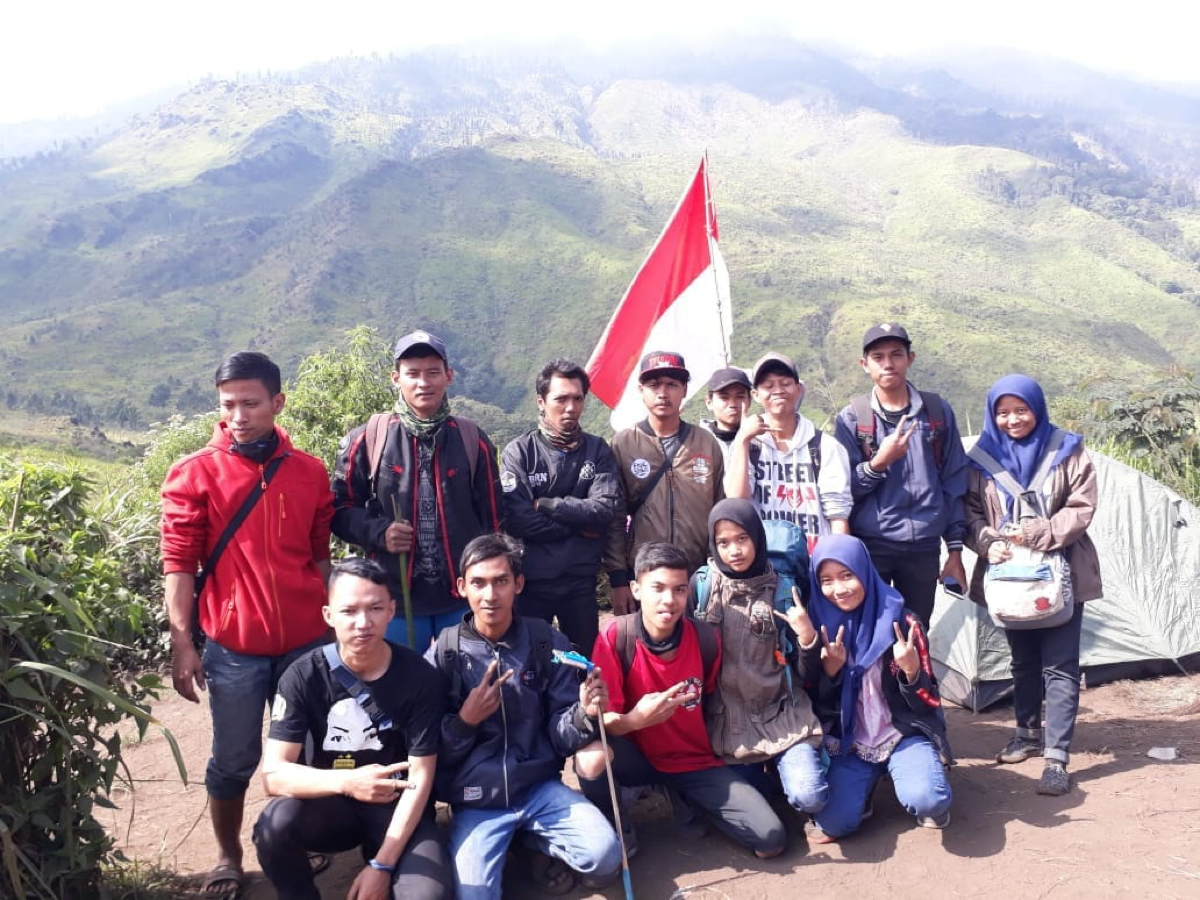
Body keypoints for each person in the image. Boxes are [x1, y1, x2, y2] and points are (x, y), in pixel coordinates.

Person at [160, 351, 334, 898]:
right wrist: (183, 642)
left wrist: (333, 623)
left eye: (251, 403)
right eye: (228, 404)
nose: (238, 415)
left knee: (304, 752)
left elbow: (319, 554)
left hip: (306, 644)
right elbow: (179, 564)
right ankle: (228, 856)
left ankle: (293, 841)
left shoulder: (308, 471)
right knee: (233, 759)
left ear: (278, 403)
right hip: (234, 647)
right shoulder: (195, 473)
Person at [426, 534, 621, 899]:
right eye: (479, 583)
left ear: (518, 584)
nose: (490, 595)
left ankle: (529, 841)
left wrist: (584, 713)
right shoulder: (444, 655)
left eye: (501, 581)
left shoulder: (546, 642)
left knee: (606, 858)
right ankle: (511, 846)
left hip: (538, 790)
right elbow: (430, 751)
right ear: (461, 587)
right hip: (475, 800)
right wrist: (464, 722)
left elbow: (560, 736)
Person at [253, 558, 452, 900]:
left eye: (375, 608)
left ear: (391, 610)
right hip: (331, 806)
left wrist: (383, 866)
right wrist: (347, 782)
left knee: (428, 895)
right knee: (274, 825)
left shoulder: (420, 676)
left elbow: (420, 779)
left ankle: (381, 856)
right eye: (349, 611)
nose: (363, 623)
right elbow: (273, 776)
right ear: (329, 615)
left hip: (396, 805)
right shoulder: (302, 675)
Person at [577, 542, 788, 860]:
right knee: (591, 757)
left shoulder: (706, 639)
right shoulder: (615, 637)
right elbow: (601, 723)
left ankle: (684, 794)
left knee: (770, 840)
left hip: (692, 760)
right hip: (636, 757)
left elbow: (715, 701)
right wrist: (637, 719)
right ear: (636, 589)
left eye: (678, 590)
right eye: (657, 588)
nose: (668, 600)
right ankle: (618, 829)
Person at [964, 374, 1102, 796]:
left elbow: (1082, 505)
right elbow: (968, 512)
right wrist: (987, 541)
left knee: (1059, 666)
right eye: (1002, 412)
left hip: (1062, 571)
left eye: (1021, 410)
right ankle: (1025, 732)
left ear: (1037, 409)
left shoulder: (1067, 450)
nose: (1012, 420)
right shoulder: (981, 458)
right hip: (1008, 578)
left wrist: (1043, 533)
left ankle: (1057, 758)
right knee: (1021, 661)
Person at [332, 330, 502, 650]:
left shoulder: (471, 439)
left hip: (461, 597)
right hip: (394, 599)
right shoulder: (368, 439)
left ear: (448, 376)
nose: (423, 382)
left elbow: (494, 520)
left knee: (468, 688)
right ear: (396, 378)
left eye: (433, 372)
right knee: (405, 688)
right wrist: (378, 532)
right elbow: (338, 510)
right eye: (413, 374)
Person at [805, 535, 952, 843]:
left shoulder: (903, 622)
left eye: (848, 575)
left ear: (865, 572)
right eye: (827, 580)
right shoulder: (817, 628)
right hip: (851, 741)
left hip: (901, 733)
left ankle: (921, 774)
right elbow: (815, 706)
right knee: (835, 823)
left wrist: (911, 671)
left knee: (928, 799)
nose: (839, 589)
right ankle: (865, 786)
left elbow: (929, 703)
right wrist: (830, 672)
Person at [692, 499, 827, 819]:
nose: (734, 551)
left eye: (742, 539)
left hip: (781, 714)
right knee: (749, 810)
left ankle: (789, 775)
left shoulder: (782, 589)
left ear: (757, 537)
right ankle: (768, 788)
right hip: (727, 724)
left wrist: (807, 638)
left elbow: (806, 675)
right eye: (723, 542)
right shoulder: (703, 586)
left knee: (810, 796)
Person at [834, 324, 969, 628]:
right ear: (864, 365)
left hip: (924, 545)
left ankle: (913, 678)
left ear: (910, 358)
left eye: (896, 354)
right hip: (872, 545)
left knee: (916, 631)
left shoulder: (936, 412)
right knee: (873, 630)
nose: (888, 363)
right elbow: (842, 491)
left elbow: (954, 481)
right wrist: (878, 464)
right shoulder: (853, 419)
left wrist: (955, 550)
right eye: (878, 356)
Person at [500, 358, 620, 652]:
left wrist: (548, 504)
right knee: (527, 664)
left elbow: (604, 511)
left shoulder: (597, 450)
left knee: (584, 665)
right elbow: (518, 519)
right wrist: (581, 527)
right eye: (561, 398)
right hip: (530, 581)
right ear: (541, 402)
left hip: (580, 581)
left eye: (577, 398)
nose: (570, 407)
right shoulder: (520, 452)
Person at [605, 351, 726, 614]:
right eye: (654, 385)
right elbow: (614, 517)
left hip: (700, 577)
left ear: (684, 389)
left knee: (701, 647)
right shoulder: (624, 443)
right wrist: (618, 580)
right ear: (641, 390)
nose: (663, 393)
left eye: (672, 384)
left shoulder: (704, 443)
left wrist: (720, 569)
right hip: (647, 577)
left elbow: (721, 511)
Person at [726, 352, 851, 546]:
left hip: (815, 561)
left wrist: (838, 560)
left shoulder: (825, 446)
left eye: (785, 383)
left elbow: (838, 514)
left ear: (798, 389)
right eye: (768, 386)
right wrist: (742, 439)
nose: (778, 390)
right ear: (756, 395)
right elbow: (737, 500)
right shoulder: (750, 446)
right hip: (765, 564)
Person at [700, 367, 753, 465]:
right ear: (709, 402)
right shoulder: (695, 443)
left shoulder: (761, 442)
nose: (732, 404)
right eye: (724, 397)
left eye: (740, 397)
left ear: (749, 401)